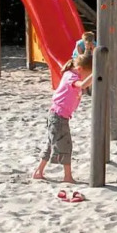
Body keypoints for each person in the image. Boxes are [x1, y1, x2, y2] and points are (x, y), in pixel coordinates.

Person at [33, 50, 93, 185]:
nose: (86, 77)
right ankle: (67, 176)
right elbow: (82, 85)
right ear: (80, 69)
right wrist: (96, 73)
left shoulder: (70, 73)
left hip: (56, 115)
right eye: (87, 74)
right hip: (58, 117)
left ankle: (39, 171)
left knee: (51, 144)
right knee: (66, 145)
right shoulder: (72, 77)